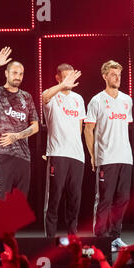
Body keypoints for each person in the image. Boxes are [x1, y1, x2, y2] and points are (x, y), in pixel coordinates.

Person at [84, 60, 133, 252]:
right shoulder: (97, 100)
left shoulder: (126, 100)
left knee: (123, 199)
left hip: (125, 157)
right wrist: (92, 155)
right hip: (106, 157)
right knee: (104, 199)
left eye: (119, 74)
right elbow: (89, 129)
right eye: (113, 74)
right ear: (104, 76)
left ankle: (115, 237)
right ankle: (101, 238)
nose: (117, 77)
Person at [0, 47, 39, 202]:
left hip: (24, 158)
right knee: (1, 203)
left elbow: (35, 126)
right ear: (6, 73)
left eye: (21, 74)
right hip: (3, 155)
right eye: (14, 72)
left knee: (17, 207)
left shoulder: (26, 97)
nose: (18, 76)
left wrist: (17, 136)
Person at [42, 64, 85, 237]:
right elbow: (44, 96)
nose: (69, 80)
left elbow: (80, 127)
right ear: (58, 78)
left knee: (74, 199)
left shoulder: (78, 99)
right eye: (65, 77)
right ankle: (49, 239)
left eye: (71, 77)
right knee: (54, 198)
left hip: (77, 156)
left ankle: (72, 237)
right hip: (57, 154)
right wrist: (62, 86)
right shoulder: (53, 96)